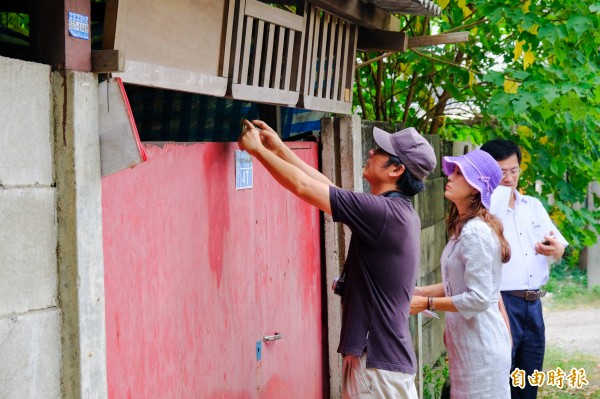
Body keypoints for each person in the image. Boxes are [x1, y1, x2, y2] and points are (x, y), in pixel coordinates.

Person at [238, 120, 436, 398]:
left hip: (376, 366)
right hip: (382, 364)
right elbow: (326, 186)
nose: (370, 152)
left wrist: (257, 151)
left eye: (379, 150)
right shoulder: (395, 213)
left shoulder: (383, 214)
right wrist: (278, 148)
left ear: (396, 169)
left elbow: (303, 186)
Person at [411, 149, 512, 399]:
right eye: (453, 171)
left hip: (482, 350)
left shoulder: (475, 232)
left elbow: (477, 299)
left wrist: (427, 303)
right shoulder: (464, 227)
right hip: (469, 346)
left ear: (476, 187)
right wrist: (421, 291)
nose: (450, 177)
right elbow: (458, 285)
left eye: (459, 173)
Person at [481, 139, 568, 399]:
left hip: (533, 305)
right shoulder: (484, 211)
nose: (509, 178)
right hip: (501, 305)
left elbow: (560, 247)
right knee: (499, 382)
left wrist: (555, 249)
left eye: (514, 170)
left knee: (528, 382)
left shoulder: (533, 206)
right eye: (501, 172)